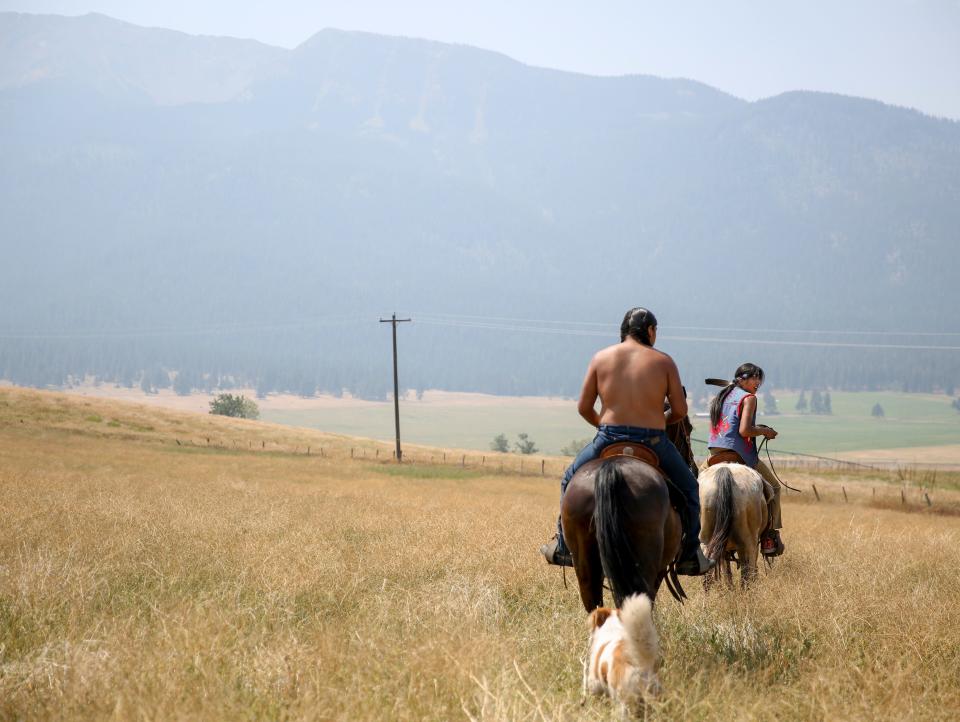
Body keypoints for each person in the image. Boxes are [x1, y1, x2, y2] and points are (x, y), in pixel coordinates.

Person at [539, 307, 715, 576]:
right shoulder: (664, 361)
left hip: (608, 437)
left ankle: (564, 546)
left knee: (568, 480)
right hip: (652, 440)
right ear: (651, 331)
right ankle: (690, 554)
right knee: (690, 488)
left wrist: (606, 426)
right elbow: (679, 411)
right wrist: (657, 422)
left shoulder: (601, 357)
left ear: (623, 332)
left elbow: (584, 407)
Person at [703, 363, 785, 556]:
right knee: (774, 488)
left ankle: (691, 534)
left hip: (714, 454)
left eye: (759, 379)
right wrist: (765, 431)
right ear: (742, 379)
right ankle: (769, 538)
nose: (757, 382)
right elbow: (744, 431)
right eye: (754, 377)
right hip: (739, 454)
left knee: (694, 487)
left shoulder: (722, 396)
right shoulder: (749, 399)